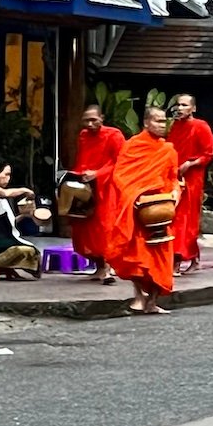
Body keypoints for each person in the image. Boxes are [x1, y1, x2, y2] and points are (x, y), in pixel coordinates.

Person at [107, 107, 179, 315]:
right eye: (157, 121)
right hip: (138, 210)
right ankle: (138, 296)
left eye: (164, 122)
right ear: (146, 122)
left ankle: (153, 301)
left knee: (162, 257)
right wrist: (136, 196)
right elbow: (120, 176)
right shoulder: (132, 147)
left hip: (161, 210)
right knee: (137, 256)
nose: (161, 125)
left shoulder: (168, 150)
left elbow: (173, 178)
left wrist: (175, 192)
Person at [69, 104, 125, 284]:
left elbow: (120, 162)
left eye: (94, 120)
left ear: (102, 118)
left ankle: (108, 268)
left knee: (105, 228)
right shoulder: (83, 136)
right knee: (83, 228)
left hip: (106, 188)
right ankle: (99, 266)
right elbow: (82, 160)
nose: (90, 124)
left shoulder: (114, 135)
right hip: (86, 187)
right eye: (86, 120)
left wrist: (98, 174)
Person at [167, 94, 213, 276]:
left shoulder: (200, 126)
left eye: (184, 105)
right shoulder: (175, 127)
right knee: (178, 219)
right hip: (173, 178)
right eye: (178, 105)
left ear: (193, 108)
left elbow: (208, 153)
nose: (180, 108)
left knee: (183, 220)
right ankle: (194, 258)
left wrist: (190, 164)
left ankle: (176, 263)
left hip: (192, 179)